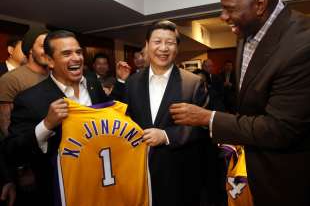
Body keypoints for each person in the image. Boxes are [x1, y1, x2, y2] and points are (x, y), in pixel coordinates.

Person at [170, 0, 310, 205]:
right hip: (255, 170)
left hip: (285, 179)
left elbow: (279, 129)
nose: (222, 17)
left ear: (260, 4)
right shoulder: (248, 30)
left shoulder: (301, 46)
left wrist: (209, 118)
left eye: (230, 9)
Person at [2, 30, 118, 206]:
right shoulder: (30, 99)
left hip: (100, 184)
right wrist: (46, 126)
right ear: (50, 60)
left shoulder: (93, 84)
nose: (76, 58)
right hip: (58, 192)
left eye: (78, 52)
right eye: (66, 53)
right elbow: (12, 151)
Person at [124, 20, 209, 206]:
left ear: (177, 48)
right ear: (147, 45)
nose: (163, 48)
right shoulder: (132, 82)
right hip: (140, 173)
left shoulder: (193, 83)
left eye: (170, 43)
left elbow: (203, 128)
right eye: (157, 42)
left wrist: (166, 135)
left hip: (179, 174)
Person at [0, 27, 49, 136]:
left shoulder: (55, 75)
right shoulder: (11, 79)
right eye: (42, 46)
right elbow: (5, 122)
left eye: (49, 47)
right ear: (30, 49)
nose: (48, 51)